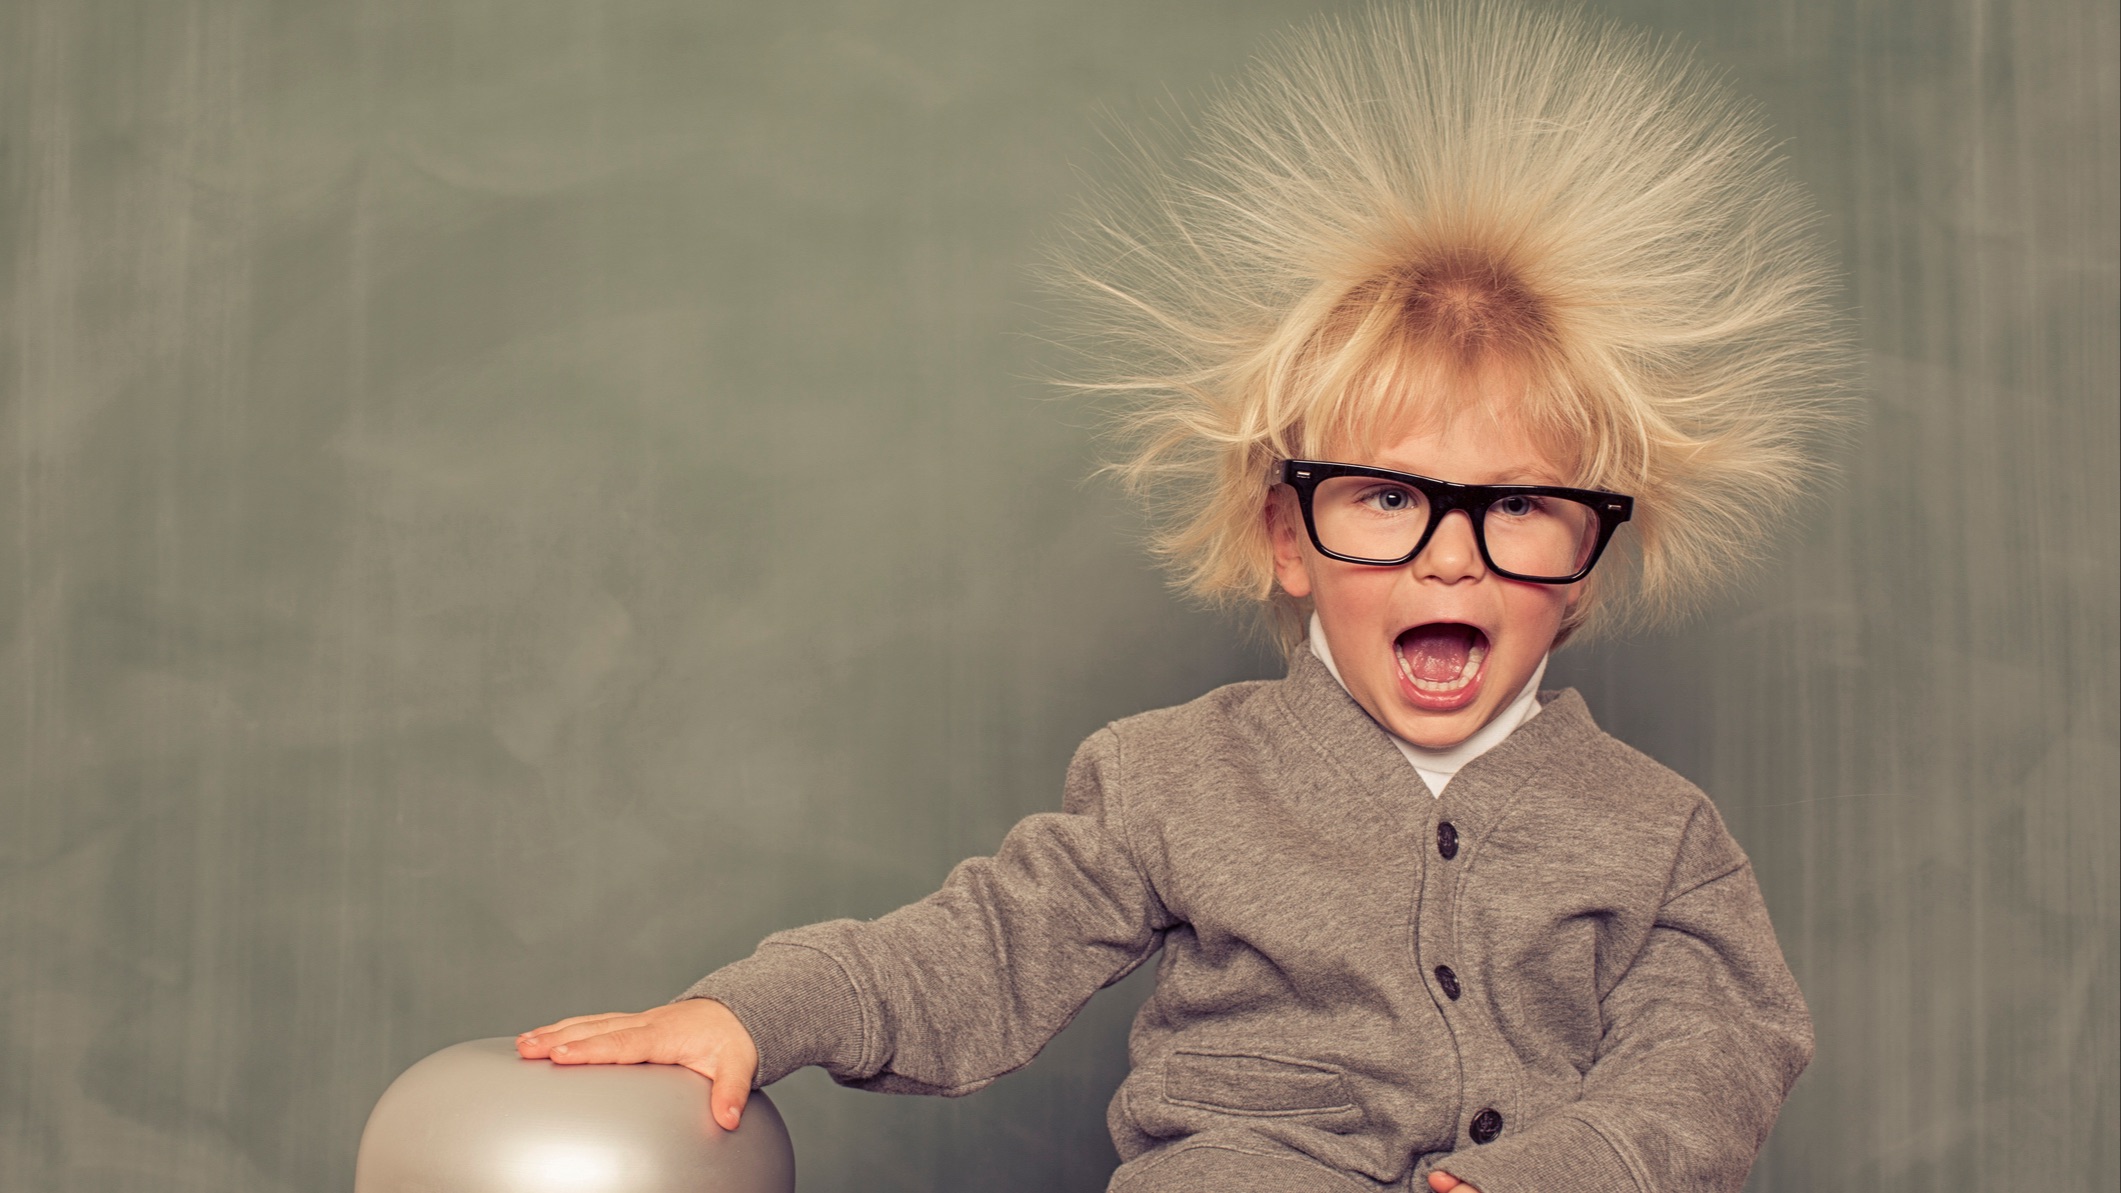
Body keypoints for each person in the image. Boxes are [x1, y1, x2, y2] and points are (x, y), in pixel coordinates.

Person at [518, 3, 1849, 1189]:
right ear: (1287, 534)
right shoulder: (1175, 781)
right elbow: (978, 949)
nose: (1450, 557)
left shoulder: (1658, 834)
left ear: (1584, 565)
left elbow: (1713, 1052)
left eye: (1515, 509)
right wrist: (758, 1010)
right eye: (1387, 498)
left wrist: (1567, 1172)